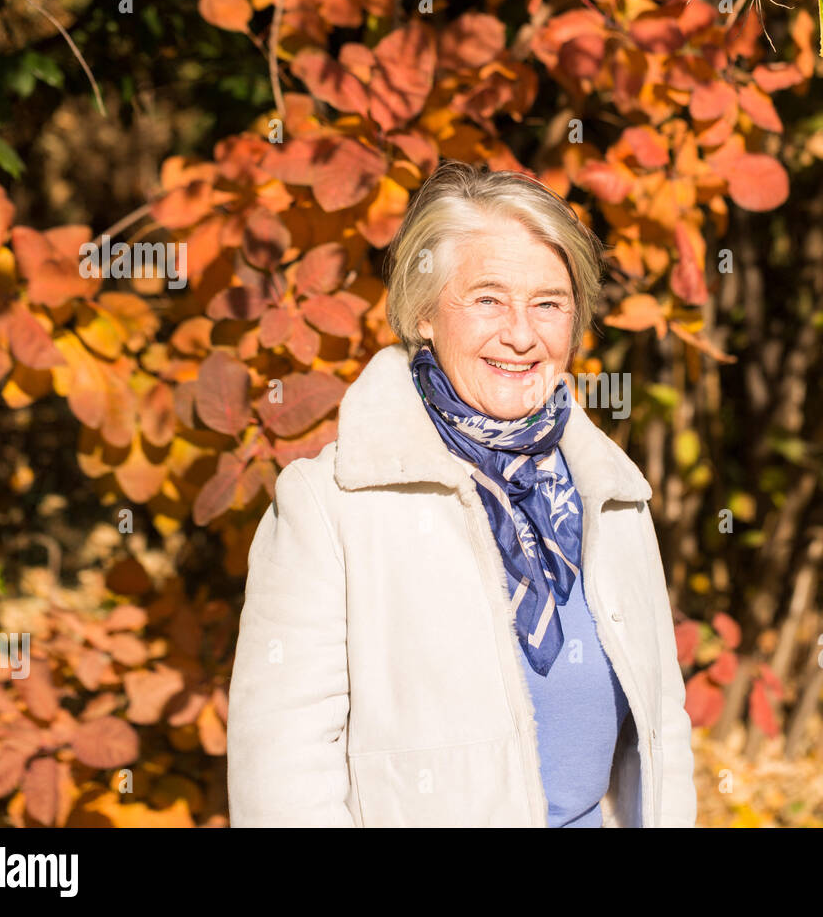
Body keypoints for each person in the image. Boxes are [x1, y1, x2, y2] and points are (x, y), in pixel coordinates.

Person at [226, 160, 696, 827]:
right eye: (487, 299)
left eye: (548, 303)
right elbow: (282, 775)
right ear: (422, 313)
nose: (522, 334)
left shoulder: (610, 495)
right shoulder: (330, 507)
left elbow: (661, 733)